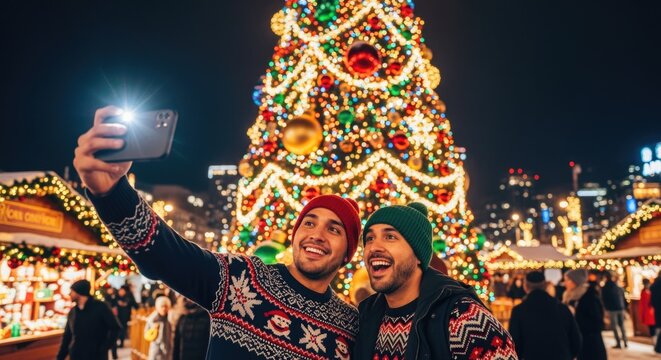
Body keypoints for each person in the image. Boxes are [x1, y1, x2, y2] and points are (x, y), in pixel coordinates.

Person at [73, 106, 361, 358]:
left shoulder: (350, 325)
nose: (316, 234)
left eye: (334, 229)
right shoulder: (242, 280)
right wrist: (111, 191)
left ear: (348, 252)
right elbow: (161, 252)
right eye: (309, 223)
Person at [355, 203, 517, 359]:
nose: (374, 247)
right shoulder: (365, 316)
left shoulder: (465, 318)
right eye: (369, 238)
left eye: (390, 237)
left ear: (418, 254)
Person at [508, 271, 581, 360]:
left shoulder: (519, 311)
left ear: (525, 286)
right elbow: (576, 340)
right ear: (545, 286)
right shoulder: (562, 308)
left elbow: (514, 343)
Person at [57, 279, 121, 360]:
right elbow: (67, 336)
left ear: (79, 293)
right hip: (76, 355)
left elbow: (115, 328)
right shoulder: (73, 311)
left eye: (72, 291)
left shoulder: (101, 307)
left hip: (96, 356)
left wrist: (104, 348)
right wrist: (60, 357)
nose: (70, 294)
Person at [563, 269, 606, 360]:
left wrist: (575, 316)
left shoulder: (590, 296)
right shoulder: (569, 297)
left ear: (576, 281)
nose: (565, 283)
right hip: (579, 341)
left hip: (591, 343)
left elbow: (597, 323)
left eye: (567, 280)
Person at [601, 271, 628, 348]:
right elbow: (624, 297)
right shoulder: (617, 286)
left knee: (614, 326)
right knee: (621, 325)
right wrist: (624, 307)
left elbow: (604, 299)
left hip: (612, 309)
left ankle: (619, 343)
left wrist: (606, 309)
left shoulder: (605, 288)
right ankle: (625, 342)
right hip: (620, 308)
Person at [145, 296, 173, 360]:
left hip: (168, 346)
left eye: (166, 306)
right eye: (162, 306)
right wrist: (153, 330)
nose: (164, 308)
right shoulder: (153, 319)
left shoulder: (170, 318)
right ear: (158, 307)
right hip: (156, 347)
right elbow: (146, 333)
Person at [651, 270, 661, 353]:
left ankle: (658, 347)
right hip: (658, 308)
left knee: (659, 328)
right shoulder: (657, 284)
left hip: (657, 309)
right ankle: (658, 347)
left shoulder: (654, 284)